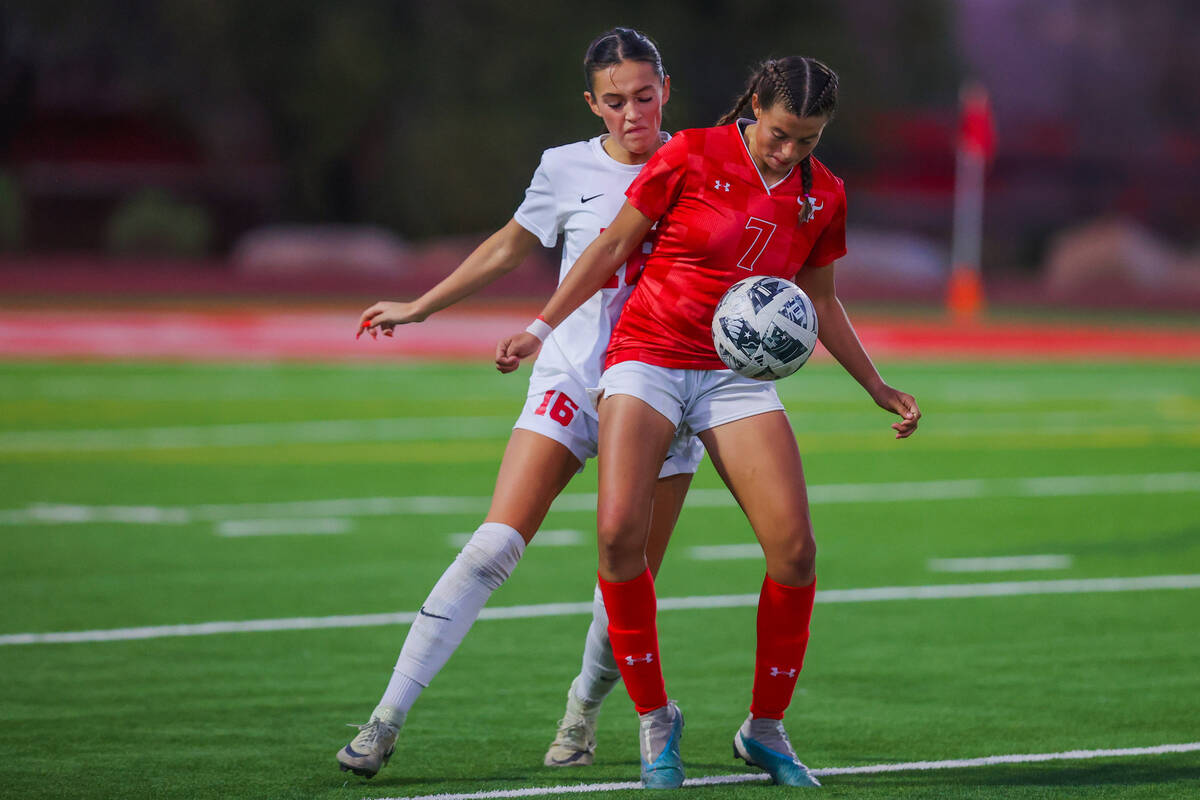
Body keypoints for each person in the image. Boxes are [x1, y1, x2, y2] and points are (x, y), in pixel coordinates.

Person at [497, 56, 921, 789]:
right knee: (618, 534)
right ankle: (656, 717)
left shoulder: (824, 197)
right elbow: (613, 245)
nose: (790, 152)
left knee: (794, 550)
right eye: (781, 134)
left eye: (809, 141)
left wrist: (875, 385)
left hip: (737, 377)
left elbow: (820, 300)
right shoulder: (690, 151)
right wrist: (540, 326)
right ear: (755, 104)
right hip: (649, 355)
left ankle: (764, 729)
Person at [337, 28, 705, 779]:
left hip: (665, 391)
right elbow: (510, 245)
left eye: (643, 95)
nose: (631, 113)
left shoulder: (703, 164)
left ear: (665, 88)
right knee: (493, 545)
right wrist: (422, 305)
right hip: (571, 378)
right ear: (591, 104)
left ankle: (581, 711)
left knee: (625, 584)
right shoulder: (565, 167)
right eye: (614, 101)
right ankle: (384, 720)